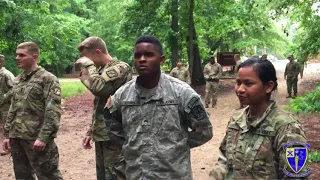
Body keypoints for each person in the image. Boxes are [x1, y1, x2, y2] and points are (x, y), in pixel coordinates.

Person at [106, 35, 213, 180]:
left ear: (161, 59)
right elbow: (112, 127)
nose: (142, 59)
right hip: (137, 174)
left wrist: (177, 145)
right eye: (138, 55)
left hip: (174, 174)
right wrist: (133, 144)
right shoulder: (122, 95)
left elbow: (204, 131)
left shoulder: (181, 93)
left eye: (149, 55)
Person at [209, 58, 308, 180]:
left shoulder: (287, 128)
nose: (240, 89)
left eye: (248, 83)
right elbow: (224, 160)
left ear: (268, 87)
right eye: (238, 82)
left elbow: (296, 177)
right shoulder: (236, 120)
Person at [2, 42, 63, 179]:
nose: (17, 58)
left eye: (22, 55)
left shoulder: (47, 79)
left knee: (48, 176)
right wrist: (7, 134)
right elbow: (13, 108)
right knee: (22, 176)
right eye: (17, 54)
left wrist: (43, 137)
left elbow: (53, 110)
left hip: (36, 139)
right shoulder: (18, 79)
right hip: (17, 138)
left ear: (34, 57)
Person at [75, 36, 131, 180]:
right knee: (103, 175)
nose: (85, 62)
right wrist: (91, 131)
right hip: (103, 133)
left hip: (116, 134)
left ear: (98, 52)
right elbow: (100, 104)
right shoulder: (101, 70)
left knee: (116, 174)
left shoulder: (120, 67)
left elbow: (99, 88)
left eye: (86, 58)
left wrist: (89, 66)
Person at [0, 54, 15, 156]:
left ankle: (9, 147)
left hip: (5, 106)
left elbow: (14, 88)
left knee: (7, 126)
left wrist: (4, 98)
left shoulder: (6, 74)